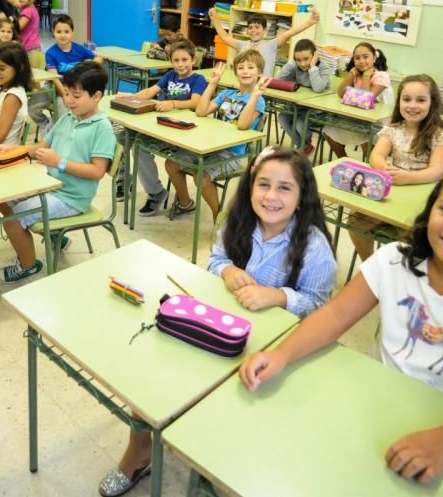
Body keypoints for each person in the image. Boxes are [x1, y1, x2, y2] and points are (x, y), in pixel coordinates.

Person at [239, 166, 443, 486]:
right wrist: (283, 354)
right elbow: (335, 316)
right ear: (430, 211)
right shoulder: (395, 259)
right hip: (373, 400)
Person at [100, 146, 336, 497]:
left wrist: (279, 296)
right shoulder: (237, 221)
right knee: (154, 368)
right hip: (223, 327)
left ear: (302, 199)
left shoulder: (314, 247)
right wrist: (226, 271)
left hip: (276, 348)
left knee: (237, 406)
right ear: (250, 187)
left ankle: (223, 457)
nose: (271, 196)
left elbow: (321, 309)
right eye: (263, 185)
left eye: (285, 188)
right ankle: (140, 450)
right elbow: (216, 259)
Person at [0, 61, 115, 283]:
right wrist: (15, 149)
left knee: (12, 221)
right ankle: (55, 236)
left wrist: (60, 163)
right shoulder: (69, 118)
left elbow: (98, 172)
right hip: (50, 186)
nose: (68, 101)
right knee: (4, 201)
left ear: (96, 96)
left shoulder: (102, 128)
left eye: (76, 96)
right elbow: (43, 147)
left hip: (71, 198)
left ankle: (29, 266)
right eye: (67, 93)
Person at [349, 74, 443, 262]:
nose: (412, 105)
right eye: (406, 99)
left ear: (432, 103)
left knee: (413, 235)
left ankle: (407, 272)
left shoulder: (440, 134)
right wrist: (383, 166)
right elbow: (375, 155)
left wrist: (407, 177)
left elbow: (436, 171)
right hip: (396, 192)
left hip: (427, 199)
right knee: (355, 220)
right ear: (399, 101)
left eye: (421, 100)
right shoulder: (393, 129)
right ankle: (371, 267)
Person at [165, 49, 269, 222]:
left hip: (232, 153)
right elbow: (200, 111)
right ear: (235, 72)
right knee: (171, 163)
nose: (245, 71)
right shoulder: (227, 94)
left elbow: (243, 125)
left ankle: (218, 216)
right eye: (241, 67)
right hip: (208, 146)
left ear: (259, 73)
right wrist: (212, 84)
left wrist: (255, 95)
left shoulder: (258, 100)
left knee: (201, 176)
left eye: (251, 68)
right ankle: (185, 203)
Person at [124, 39, 208, 216]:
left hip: (186, 132)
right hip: (163, 126)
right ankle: (156, 193)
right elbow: (150, 91)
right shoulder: (169, 76)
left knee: (141, 145)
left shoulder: (198, 79)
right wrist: (129, 99)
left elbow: (196, 101)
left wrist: (173, 103)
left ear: (193, 60)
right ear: (171, 62)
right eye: (176, 60)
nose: (180, 64)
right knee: (138, 147)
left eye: (185, 60)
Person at [323, 42, 392, 158]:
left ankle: (366, 165)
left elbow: (366, 99)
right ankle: (344, 160)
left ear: (374, 58)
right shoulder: (356, 75)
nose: (361, 61)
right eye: (357, 58)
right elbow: (340, 93)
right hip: (358, 118)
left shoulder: (381, 76)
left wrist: (366, 76)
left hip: (376, 122)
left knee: (369, 148)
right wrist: (351, 73)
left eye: (365, 57)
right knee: (328, 130)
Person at [208, 7, 320, 78]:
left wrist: (310, 22)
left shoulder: (271, 45)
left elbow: (289, 33)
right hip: (246, 85)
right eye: (250, 27)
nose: (253, 30)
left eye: (257, 27)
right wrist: (215, 19)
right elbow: (225, 37)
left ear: (265, 30)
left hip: (263, 88)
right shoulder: (243, 45)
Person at [275, 38, 332, 154]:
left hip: (317, 110)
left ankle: (303, 147)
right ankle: (304, 145)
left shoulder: (323, 68)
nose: (302, 63)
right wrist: (291, 63)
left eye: (306, 59)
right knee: (282, 118)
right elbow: (279, 80)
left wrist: (312, 67)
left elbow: (318, 88)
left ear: (315, 55)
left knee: (300, 124)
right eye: (298, 60)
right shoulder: (295, 65)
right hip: (300, 106)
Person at [45, 14, 99, 105]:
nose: (63, 35)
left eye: (66, 32)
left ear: (72, 32)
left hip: (75, 84)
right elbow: (54, 78)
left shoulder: (79, 48)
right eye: (58, 32)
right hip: (56, 85)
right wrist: (64, 95)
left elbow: (98, 59)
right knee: (36, 107)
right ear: (53, 33)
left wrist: (91, 65)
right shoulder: (50, 53)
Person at [0, 0, 42, 66]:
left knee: (28, 74)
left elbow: (18, 27)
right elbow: (14, 2)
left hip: (29, 49)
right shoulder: (29, 7)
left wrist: (5, 20)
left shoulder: (28, 11)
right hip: (34, 47)